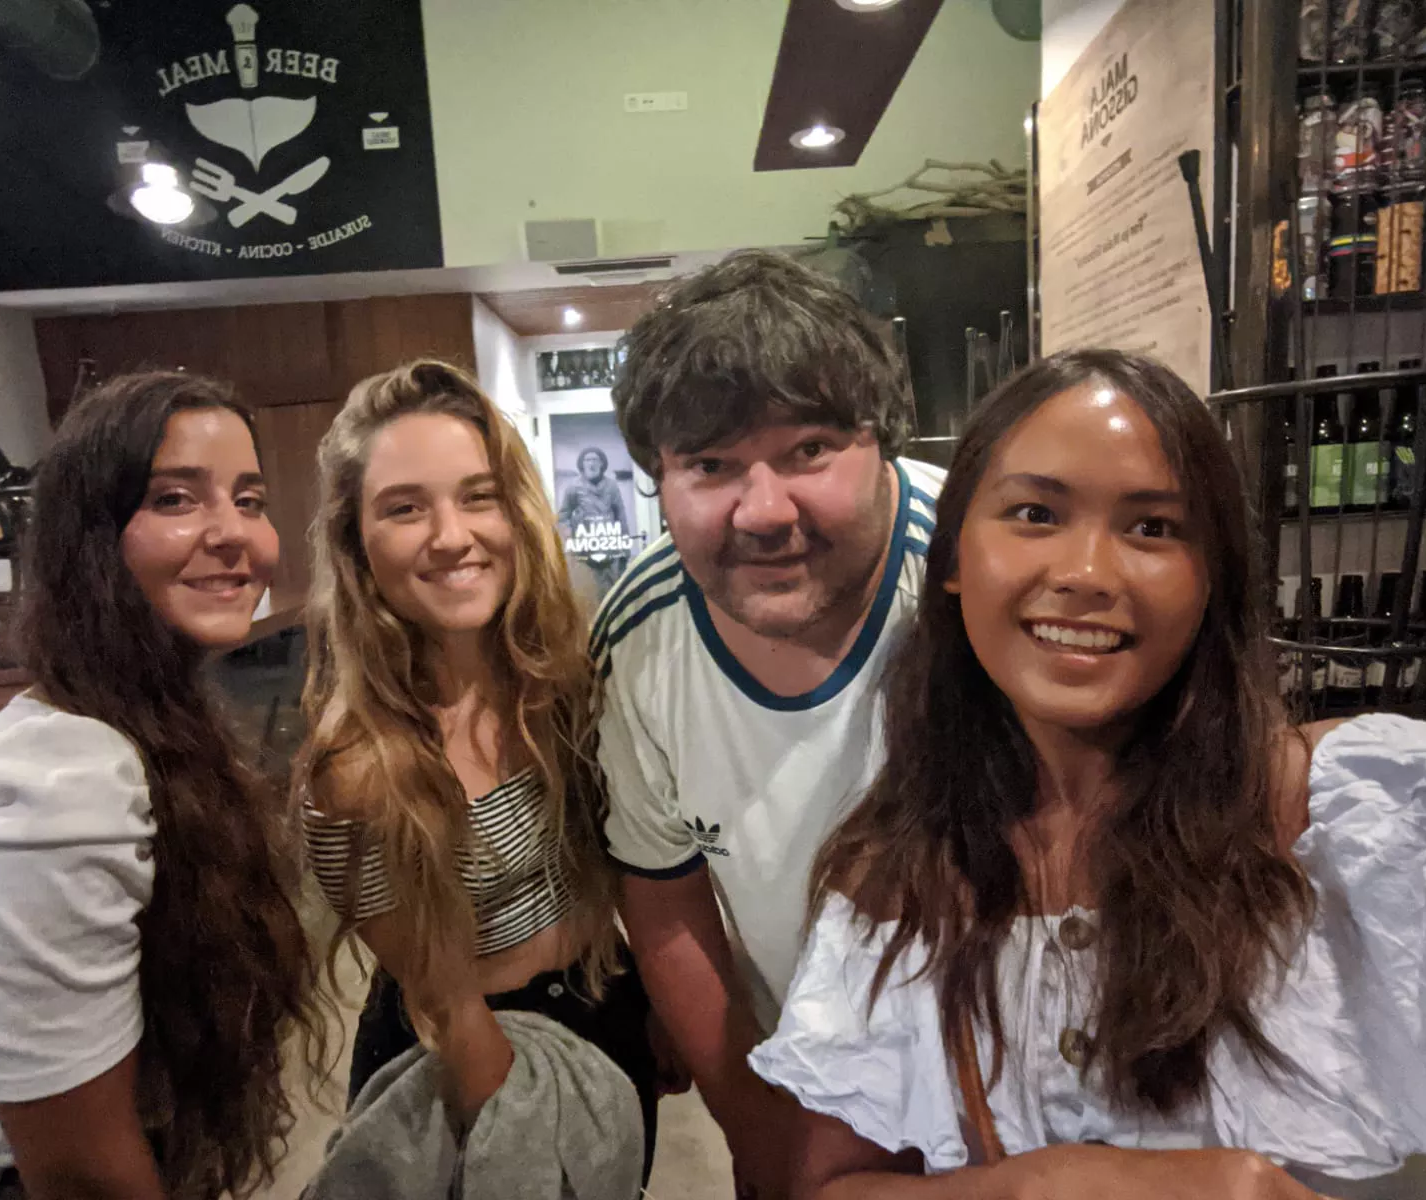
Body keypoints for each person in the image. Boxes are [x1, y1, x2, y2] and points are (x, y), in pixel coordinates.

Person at [749, 349, 1426, 1198]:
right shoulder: (900, 872)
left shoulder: (1351, 813)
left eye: (1153, 528)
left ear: (1212, 576)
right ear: (955, 555)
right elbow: (836, 1185)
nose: (1085, 574)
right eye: (1035, 513)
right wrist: (1043, 1187)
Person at [0, 372, 327, 1200]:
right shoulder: (53, 784)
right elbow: (80, 1175)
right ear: (89, 537)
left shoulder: (142, 722)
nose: (233, 533)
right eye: (175, 499)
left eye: (249, 500)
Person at [593, 249, 944, 1197]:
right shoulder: (640, 640)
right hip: (800, 1072)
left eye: (809, 451)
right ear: (658, 479)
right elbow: (662, 892)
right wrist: (756, 1130)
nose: (763, 511)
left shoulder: (972, 569)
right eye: (709, 464)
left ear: (884, 442)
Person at [293, 360, 657, 1181]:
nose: (452, 535)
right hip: (467, 1055)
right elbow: (448, 1008)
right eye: (405, 508)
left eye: (478, 496)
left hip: (606, 995)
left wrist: (650, 1004)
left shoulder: (561, 678)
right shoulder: (357, 766)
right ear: (356, 543)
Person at [558, 446, 634, 598]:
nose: (591, 463)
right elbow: (563, 516)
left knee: (614, 592)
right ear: (582, 464)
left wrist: (625, 547)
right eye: (588, 460)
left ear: (601, 463)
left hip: (609, 547)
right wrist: (570, 537)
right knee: (590, 592)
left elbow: (620, 515)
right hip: (585, 550)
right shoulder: (574, 487)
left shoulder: (611, 486)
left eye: (595, 459)